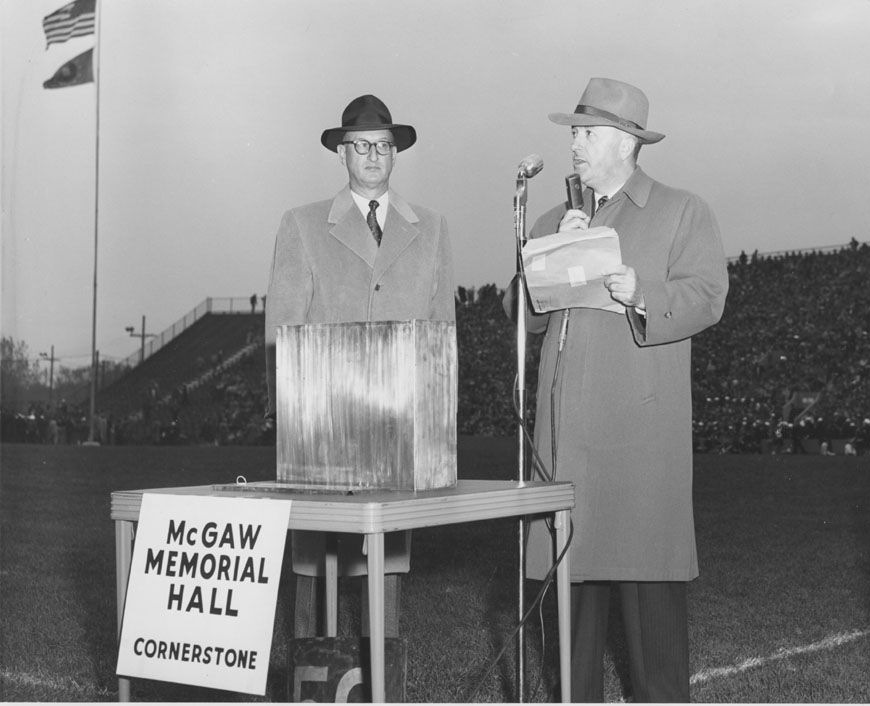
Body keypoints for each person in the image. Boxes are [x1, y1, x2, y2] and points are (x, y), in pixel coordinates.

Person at [507, 77, 729, 702]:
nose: (574, 143)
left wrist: (644, 295)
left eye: (586, 132)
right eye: (573, 131)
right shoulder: (553, 217)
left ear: (626, 142)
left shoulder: (681, 210)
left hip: (638, 454)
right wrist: (551, 248)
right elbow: (519, 313)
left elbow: (708, 296)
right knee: (570, 656)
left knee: (654, 642)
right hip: (565, 452)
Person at [264, 94, 455, 639]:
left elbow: (442, 330)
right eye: (361, 146)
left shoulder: (434, 227)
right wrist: (296, 413)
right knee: (313, 559)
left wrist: (435, 419)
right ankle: (307, 677)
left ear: (396, 155)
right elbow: (282, 329)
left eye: (383, 146)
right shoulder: (301, 225)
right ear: (341, 155)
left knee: (387, 559)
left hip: (400, 423)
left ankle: (384, 677)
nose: (373, 155)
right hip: (321, 425)